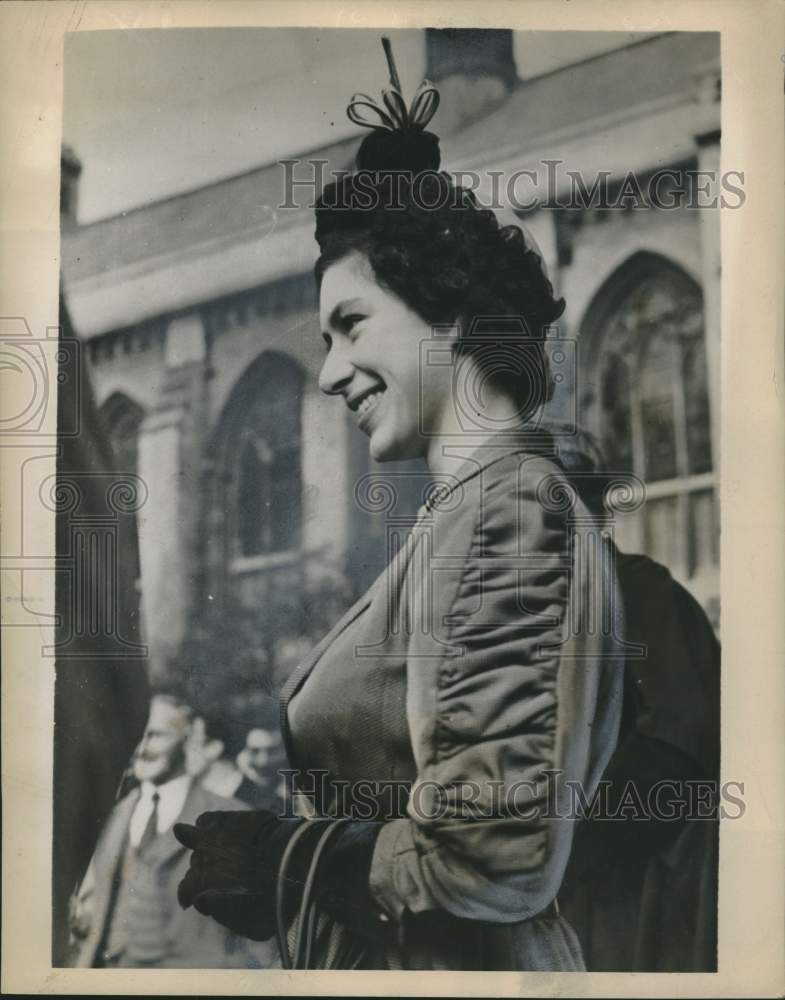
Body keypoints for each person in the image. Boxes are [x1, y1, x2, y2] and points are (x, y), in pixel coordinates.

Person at [174, 40, 625, 970]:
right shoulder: (471, 511)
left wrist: (284, 862)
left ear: (450, 315)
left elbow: (491, 856)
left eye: (350, 326)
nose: (331, 371)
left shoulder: (508, 514)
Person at [67, 692, 276, 969]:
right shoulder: (113, 816)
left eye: (155, 735)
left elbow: (261, 935)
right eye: (135, 736)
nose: (141, 748)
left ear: (187, 741)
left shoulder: (234, 819)